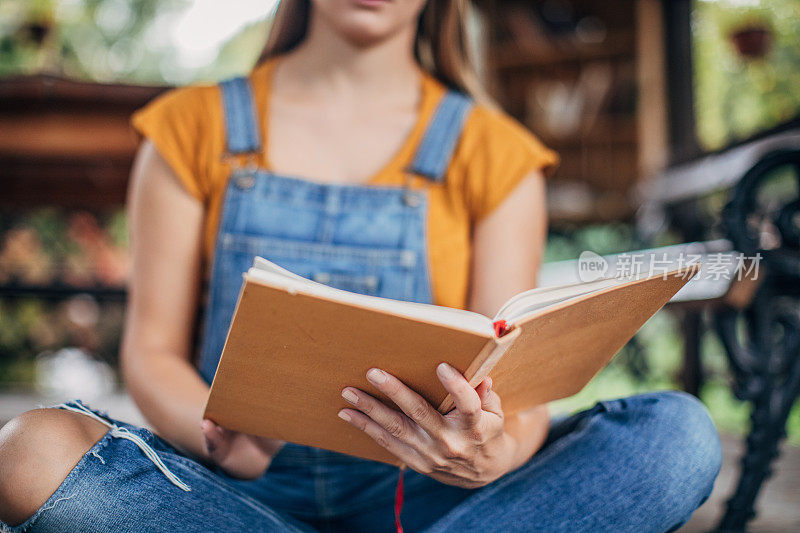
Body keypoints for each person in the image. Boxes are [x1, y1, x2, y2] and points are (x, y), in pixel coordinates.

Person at [0, 1, 722, 531]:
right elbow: (150, 351)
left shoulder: (495, 152)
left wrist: (492, 455)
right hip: (237, 493)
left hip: (434, 496)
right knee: (27, 451)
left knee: (679, 435)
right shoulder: (192, 127)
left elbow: (515, 379)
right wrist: (215, 433)